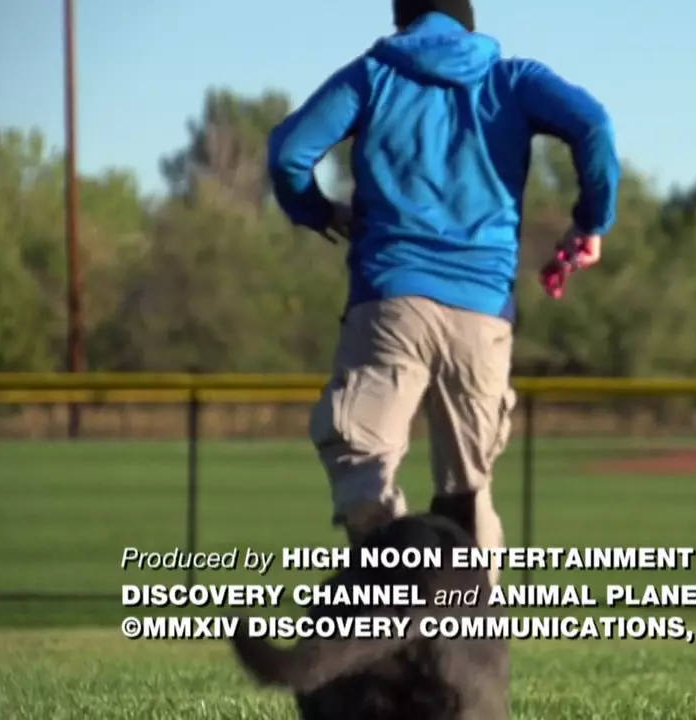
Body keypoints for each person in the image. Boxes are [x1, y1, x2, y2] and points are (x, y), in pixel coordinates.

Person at [265, 0, 619, 586]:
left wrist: (319, 211)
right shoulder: (513, 79)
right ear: (469, 21)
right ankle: (471, 628)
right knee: (467, 493)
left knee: (365, 474)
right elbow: (595, 125)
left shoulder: (374, 74)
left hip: (390, 303)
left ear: (401, 20)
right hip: (483, 313)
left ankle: (391, 596)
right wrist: (591, 221)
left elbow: (288, 154)